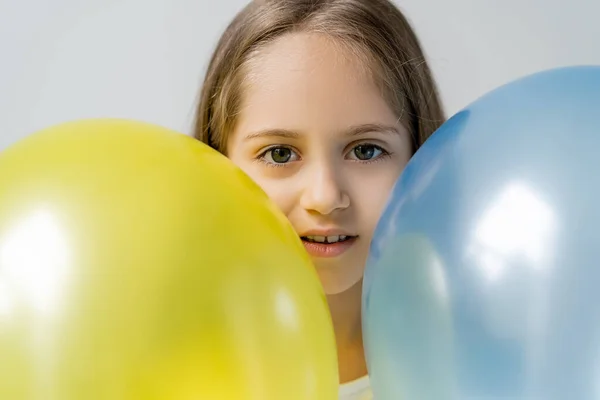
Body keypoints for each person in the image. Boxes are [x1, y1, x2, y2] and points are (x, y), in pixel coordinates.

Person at [193, 0, 445, 398]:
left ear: (421, 155)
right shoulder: (177, 361)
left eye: (365, 151)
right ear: (217, 160)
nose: (325, 198)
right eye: (279, 154)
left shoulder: (469, 360)